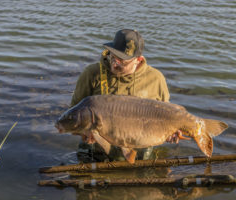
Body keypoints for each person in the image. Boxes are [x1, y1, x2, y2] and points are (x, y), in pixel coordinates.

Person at [71, 29, 179, 163]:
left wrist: (169, 134)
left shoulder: (156, 79)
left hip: (141, 154)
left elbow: (167, 117)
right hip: (96, 153)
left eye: (122, 61)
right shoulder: (92, 74)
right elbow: (72, 116)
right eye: (113, 56)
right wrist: (83, 132)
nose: (114, 63)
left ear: (138, 60)